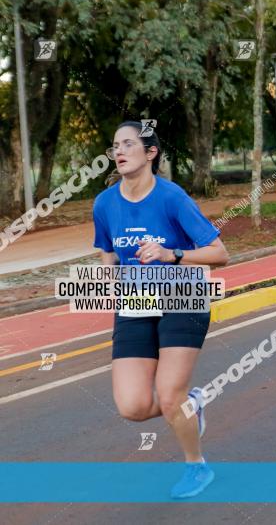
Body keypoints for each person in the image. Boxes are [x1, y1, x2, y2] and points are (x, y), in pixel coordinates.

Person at [93, 121, 229, 499]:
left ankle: (195, 467)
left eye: (128, 144)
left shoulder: (172, 198)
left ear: (150, 153)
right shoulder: (104, 203)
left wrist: (174, 254)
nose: (118, 151)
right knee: (132, 406)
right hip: (136, 303)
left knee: (169, 395)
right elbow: (108, 253)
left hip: (182, 296)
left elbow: (220, 253)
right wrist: (108, 279)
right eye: (115, 145)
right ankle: (194, 404)